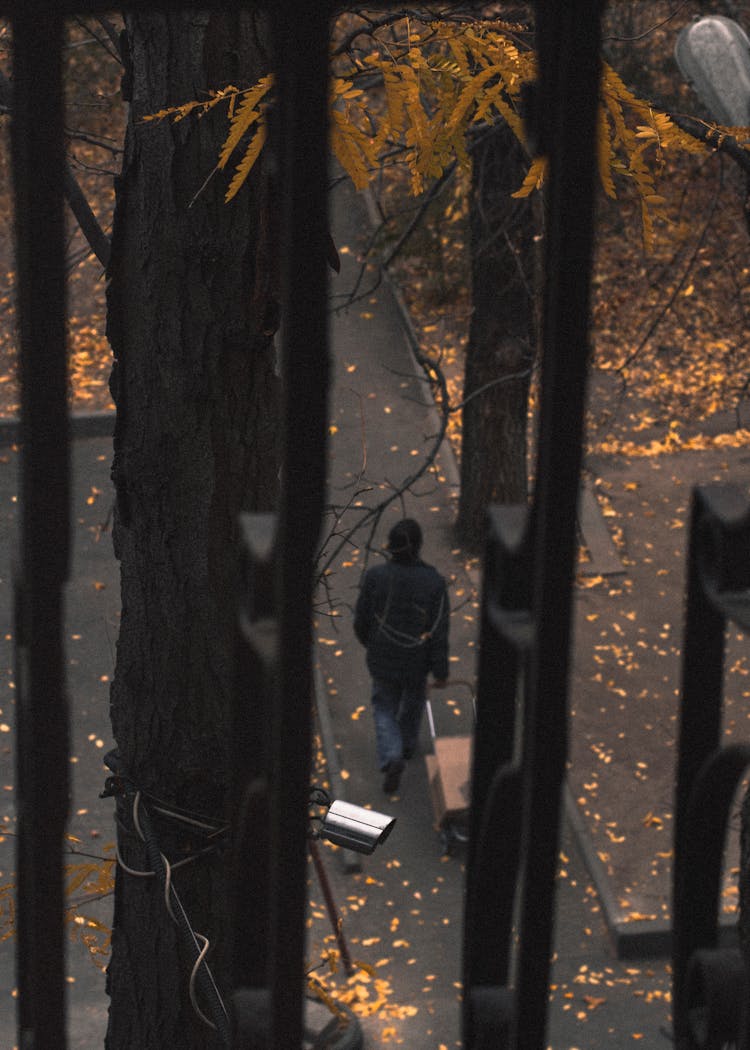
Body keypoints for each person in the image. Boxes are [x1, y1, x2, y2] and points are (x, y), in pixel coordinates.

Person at [354, 518, 450, 794]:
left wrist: (371, 643)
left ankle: (392, 754)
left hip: (382, 656)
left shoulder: (375, 578)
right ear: (418, 546)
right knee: (413, 702)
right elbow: (439, 630)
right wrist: (440, 670)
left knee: (383, 706)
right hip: (416, 660)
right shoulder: (434, 583)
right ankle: (406, 745)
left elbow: (361, 619)